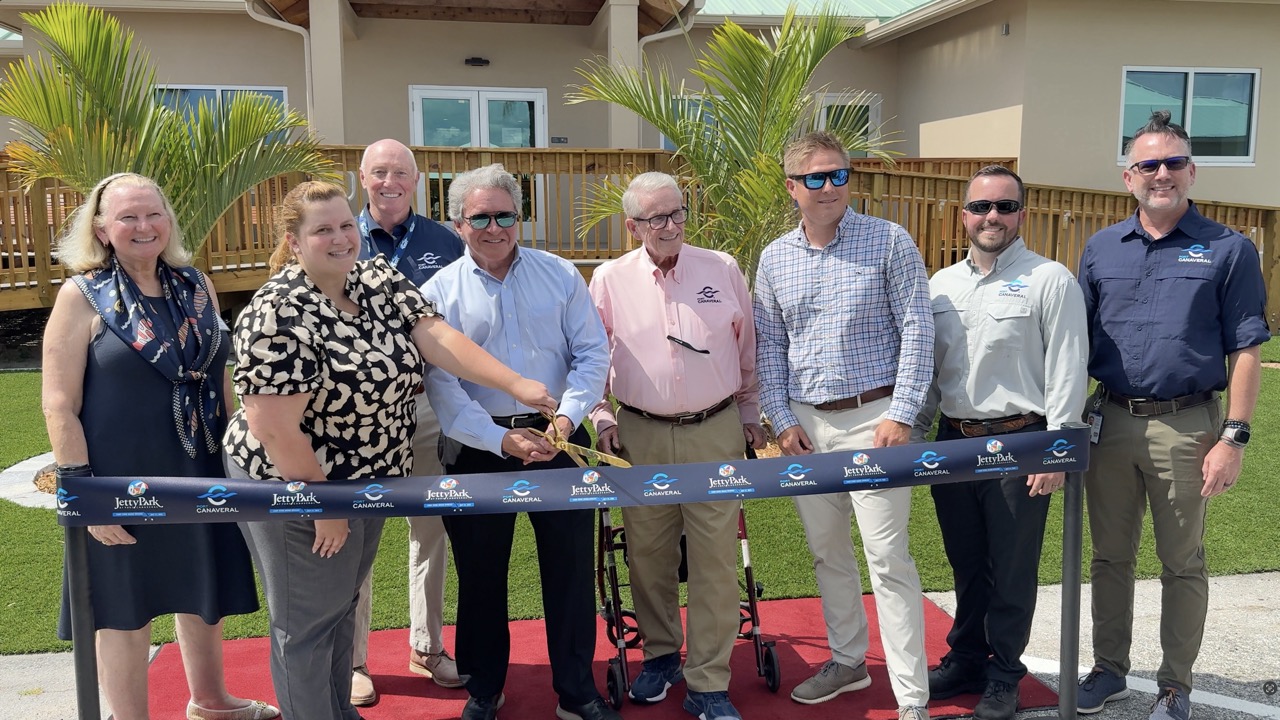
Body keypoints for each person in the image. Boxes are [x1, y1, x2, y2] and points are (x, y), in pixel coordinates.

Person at [222, 180, 556, 720]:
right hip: (294, 481)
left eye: (346, 226)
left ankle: (338, 711)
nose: (340, 239)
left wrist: (517, 385)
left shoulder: (375, 276)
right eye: (322, 230)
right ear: (293, 239)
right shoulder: (276, 309)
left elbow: (437, 337)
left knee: (340, 604)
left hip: (370, 476)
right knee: (305, 623)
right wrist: (324, 505)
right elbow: (274, 426)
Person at [42, 173, 278, 720]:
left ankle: (211, 700)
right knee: (124, 608)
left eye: (153, 214)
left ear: (168, 221)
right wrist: (85, 491)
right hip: (118, 478)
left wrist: (244, 451)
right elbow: (57, 402)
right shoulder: (79, 296)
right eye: (127, 217)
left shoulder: (196, 285)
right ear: (101, 229)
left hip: (199, 464)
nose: (143, 226)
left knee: (202, 589)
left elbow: (222, 378)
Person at [1075, 111, 1269, 720]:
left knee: (1182, 561)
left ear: (1192, 172)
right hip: (1108, 422)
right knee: (1109, 556)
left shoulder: (1229, 249)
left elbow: (1247, 348)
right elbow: (1072, 342)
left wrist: (1232, 437)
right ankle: (1108, 670)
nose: (1162, 174)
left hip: (1187, 427)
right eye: (1149, 164)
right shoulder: (1101, 247)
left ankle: (1174, 686)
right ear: (1127, 176)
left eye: (1174, 163)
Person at [422, 163, 618, 720]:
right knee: (480, 577)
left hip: (562, 441)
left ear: (519, 216)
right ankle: (484, 690)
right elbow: (443, 383)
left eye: (505, 214)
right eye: (480, 217)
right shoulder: (437, 292)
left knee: (571, 572)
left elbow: (591, 356)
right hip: (477, 448)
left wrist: (565, 421)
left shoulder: (560, 274)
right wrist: (498, 441)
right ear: (458, 223)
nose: (494, 226)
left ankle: (577, 692)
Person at [753, 131, 934, 720]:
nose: (829, 187)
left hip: (876, 422)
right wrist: (781, 421)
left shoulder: (889, 241)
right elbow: (770, 347)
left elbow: (918, 331)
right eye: (815, 177)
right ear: (792, 187)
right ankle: (848, 662)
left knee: (888, 559)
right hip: (807, 427)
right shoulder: (775, 257)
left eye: (839, 174)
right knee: (827, 553)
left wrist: (901, 414)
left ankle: (911, 699)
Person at [588, 172, 766, 720]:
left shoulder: (722, 268)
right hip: (638, 431)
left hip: (716, 429)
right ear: (633, 225)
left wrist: (749, 411)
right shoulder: (609, 278)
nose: (670, 227)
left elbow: (747, 347)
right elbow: (593, 356)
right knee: (648, 553)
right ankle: (661, 656)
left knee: (714, 557)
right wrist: (599, 415)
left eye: (678, 213)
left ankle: (709, 681)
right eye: (656, 218)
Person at [914, 166, 1088, 720]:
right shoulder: (940, 284)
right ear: (963, 215)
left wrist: (1056, 451)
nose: (993, 216)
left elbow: (1067, 368)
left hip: (1022, 444)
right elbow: (927, 371)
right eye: (982, 206)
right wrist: (912, 441)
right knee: (966, 564)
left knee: (1011, 570)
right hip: (953, 445)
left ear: (1022, 215)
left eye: (1006, 207)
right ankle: (965, 657)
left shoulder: (1050, 280)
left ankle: (1004, 674)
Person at [349, 138, 467, 706]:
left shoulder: (446, 242)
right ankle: (353, 660)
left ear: (417, 180)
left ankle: (428, 645)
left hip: (426, 404)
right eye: (378, 172)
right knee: (356, 534)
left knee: (431, 529)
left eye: (399, 172)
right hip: (358, 414)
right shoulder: (340, 237)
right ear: (362, 178)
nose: (388, 181)